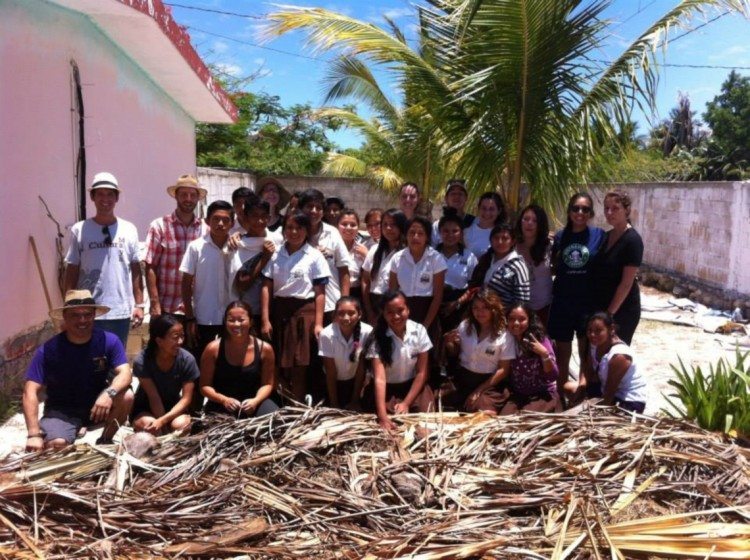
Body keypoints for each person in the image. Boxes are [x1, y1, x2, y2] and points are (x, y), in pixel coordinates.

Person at [23, 290, 133, 451]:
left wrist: (109, 393)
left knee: (127, 396)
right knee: (57, 445)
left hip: (98, 407)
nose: (82, 320)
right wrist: (33, 434)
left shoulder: (109, 341)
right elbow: (30, 391)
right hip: (62, 410)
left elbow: (125, 373)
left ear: (94, 315)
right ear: (65, 318)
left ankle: (105, 440)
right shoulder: (49, 349)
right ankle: (66, 430)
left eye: (87, 314)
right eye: (75, 315)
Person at [63, 172, 144, 347]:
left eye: (110, 194)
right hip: (87, 310)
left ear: (116, 198)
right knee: (87, 361)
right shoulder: (80, 229)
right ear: (92, 197)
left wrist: (140, 305)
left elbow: (136, 269)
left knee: (115, 362)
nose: (105, 199)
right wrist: (69, 306)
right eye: (100, 193)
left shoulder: (129, 229)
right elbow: (72, 269)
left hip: (120, 311)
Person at [260, 211, 330, 401]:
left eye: (299, 228)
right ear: (284, 231)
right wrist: (266, 319)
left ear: (306, 231)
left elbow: (320, 292)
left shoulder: (314, 256)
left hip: (303, 315)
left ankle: (296, 409)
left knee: (299, 365)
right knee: (276, 363)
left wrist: (317, 323)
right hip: (279, 313)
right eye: (289, 228)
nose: (294, 232)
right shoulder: (276, 255)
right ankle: (279, 404)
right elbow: (266, 286)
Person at [547, 193, 605, 396]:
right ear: (569, 211)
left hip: (587, 304)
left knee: (585, 352)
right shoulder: (561, 237)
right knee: (562, 353)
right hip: (563, 302)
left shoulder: (599, 235)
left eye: (585, 209)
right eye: (576, 208)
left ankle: (582, 394)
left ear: (590, 213)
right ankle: (560, 396)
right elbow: (553, 265)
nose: (580, 213)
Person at [364, 291, 435, 431]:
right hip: (387, 389)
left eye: (400, 310)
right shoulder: (377, 338)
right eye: (390, 312)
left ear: (408, 310)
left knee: (426, 420)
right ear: (383, 314)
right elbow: (380, 379)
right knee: (392, 422)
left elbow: (422, 373)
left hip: (413, 386)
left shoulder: (419, 331)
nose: (396, 316)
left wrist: (406, 403)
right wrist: (382, 417)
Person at [144, 174, 208, 320]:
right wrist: (154, 303)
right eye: (184, 194)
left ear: (198, 198)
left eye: (192, 195)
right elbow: (150, 266)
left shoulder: (206, 230)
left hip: (196, 308)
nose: (188, 199)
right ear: (176, 196)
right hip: (167, 307)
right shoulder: (159, 226)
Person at [200, 301, 279, 417]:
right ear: (225, 322)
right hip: (222, 403)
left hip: (255, 402)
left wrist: (255, 401)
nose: (236, 324)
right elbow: (204, 386)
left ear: (251, 322)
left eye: (241, 320)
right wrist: (224, 400)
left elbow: (267, 384)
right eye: (231, 320)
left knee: (277, 421)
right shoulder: (212, 349)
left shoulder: (265, 349)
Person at [442, 289, 514, 413]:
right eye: (476, 308)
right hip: (463, 377)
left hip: (489, 382)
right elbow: (455, 352)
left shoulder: (504, 335)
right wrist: (449, 343)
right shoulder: (465, 326)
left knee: (480, 410)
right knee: (441, 400)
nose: (480, 312)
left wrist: (479, 390)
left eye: (485, 307)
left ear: (493, 308)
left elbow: (504, 370)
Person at [180, 200, 235, 360]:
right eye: (216, 219)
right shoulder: (196, 247)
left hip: (231, 318)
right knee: (203, 361)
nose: (220, 223)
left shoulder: (238, 247)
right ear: (207, 220)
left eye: (226, 220)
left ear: (232, 223)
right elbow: (185, 284)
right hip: (204, 316)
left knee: (228, 361)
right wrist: (190, 317)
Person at [591, 190, 644, 344]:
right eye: (606, 208)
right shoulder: (606, 236)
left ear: (626, 210)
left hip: (622, 309)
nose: (609, 212)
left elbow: (626, 283)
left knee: (614, 353)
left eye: (615, 208)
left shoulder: (633, 240)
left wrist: (609, 314)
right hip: (601, 304)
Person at [131, 314, 198, 434]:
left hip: (173, 407)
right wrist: (161, 426)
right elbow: (154, 397)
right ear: (159, 341)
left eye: (182, 336)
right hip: (146, 408)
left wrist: (163, 421)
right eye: (175, 337)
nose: (180, 342)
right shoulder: (142, 360)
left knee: (181, 426)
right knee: (151, 426)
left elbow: (186, 399)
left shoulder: (187, 359)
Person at [574, 311, 647, 413]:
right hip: (606, 392)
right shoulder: (595, 346)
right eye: (589, 330)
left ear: (611, 329)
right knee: (570, 388)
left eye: (598, 331)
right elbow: (590, 375)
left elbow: (609, 394)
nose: (592, 335)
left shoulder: (619, 355)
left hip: (627, 402)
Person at [299, 189, 353, 323]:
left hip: (331, 305)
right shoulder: (292, 232)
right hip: (304, 305)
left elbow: (344, 270)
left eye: (318, 208)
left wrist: (344, 303)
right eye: (309, 206)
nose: (314, 211)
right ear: (301, 208)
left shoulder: (332, 233)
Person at [388, 215, 447, 340]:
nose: (415, 237)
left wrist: (425, 326)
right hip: (402, 311)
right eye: (412, 232)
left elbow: (438, 296)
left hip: (427, 311)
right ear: (406, 235)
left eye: (420, 233)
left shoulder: (436, 259)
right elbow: (392, 292)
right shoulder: (397, 258)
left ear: (427, 237)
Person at [499, 302, 561, 414]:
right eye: (512, 319)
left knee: (524, 419)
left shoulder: (539, 340)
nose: (516, 323)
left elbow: (553, 376)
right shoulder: (506, 339)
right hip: (518, 394)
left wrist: (544, 354)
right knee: (504, 419)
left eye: (522, 319)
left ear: (529, 321)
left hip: (541, 394)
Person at [230, 195, 278, 327]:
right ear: (245, 217)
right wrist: (264, 258)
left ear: (269, 218)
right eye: (254, 216)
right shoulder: (239, 245)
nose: (259, 220)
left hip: (276, 311)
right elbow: (242, 285)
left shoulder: (277, 240)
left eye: (264, 216)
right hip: (251, 312)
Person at [318, 297, 373, 409]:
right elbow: (330, 371)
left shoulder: (367, 332)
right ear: (335, 315)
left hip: (355, 384)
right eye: (341, 313)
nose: (346, 318)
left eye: (351, 313)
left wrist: (355, 400)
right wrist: (334, 403)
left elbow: (361, 369)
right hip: (331, 385)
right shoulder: (326, 334)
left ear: (360, 314)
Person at [361, 209, 407, 324]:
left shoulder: (407, 253)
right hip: (373, 303)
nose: (388, 229)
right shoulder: (374, 250)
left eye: (393, 225)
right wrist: (369, 310)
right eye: (385, 225)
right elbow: (365, 280)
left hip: (394, 307)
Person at [436, 209, 478, 332]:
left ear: (461, 233)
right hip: (433, 305)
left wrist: (457, 303)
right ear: (439, 232)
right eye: (445, 231)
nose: (450, 235)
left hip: (459, 307)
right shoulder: (431, 255)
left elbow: (473, 287)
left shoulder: (469, 257)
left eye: (455, 231)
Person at [471, 223, 530, 307]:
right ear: (491, 240)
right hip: (482, 314)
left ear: (513, 241)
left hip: (504, 317)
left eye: (505, 238)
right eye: (496, 238)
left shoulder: (517, 266)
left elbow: (522, 300)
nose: (500, 242)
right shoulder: (486, 259)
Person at [514, 204, 553, 325]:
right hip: (518, 307)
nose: (529, 223)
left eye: (535, 220)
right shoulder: (512, 246)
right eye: (526, 219)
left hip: (544, 306)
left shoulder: (550, 246)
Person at [431, 179, 476, 245]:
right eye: (453, 194)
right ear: (446, 198)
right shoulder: (437, 226)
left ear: (466, 198)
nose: (457, 197)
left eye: (460, 194)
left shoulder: (475, 223)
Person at [463, 192, 508, 258]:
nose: (487, 213)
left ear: (499, 211)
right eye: (484, 208)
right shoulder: (466, 232)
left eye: (491, 209)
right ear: (478, 209)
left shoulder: (504, 234)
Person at [337, 209, 368, 301]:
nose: (348, 227)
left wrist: (367, 256)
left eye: (353, 225)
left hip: (357, 294)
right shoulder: (331, 249)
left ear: (358, 227)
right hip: (335, 292)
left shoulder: (364, 249)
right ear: (337, 226)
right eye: (344, 224)